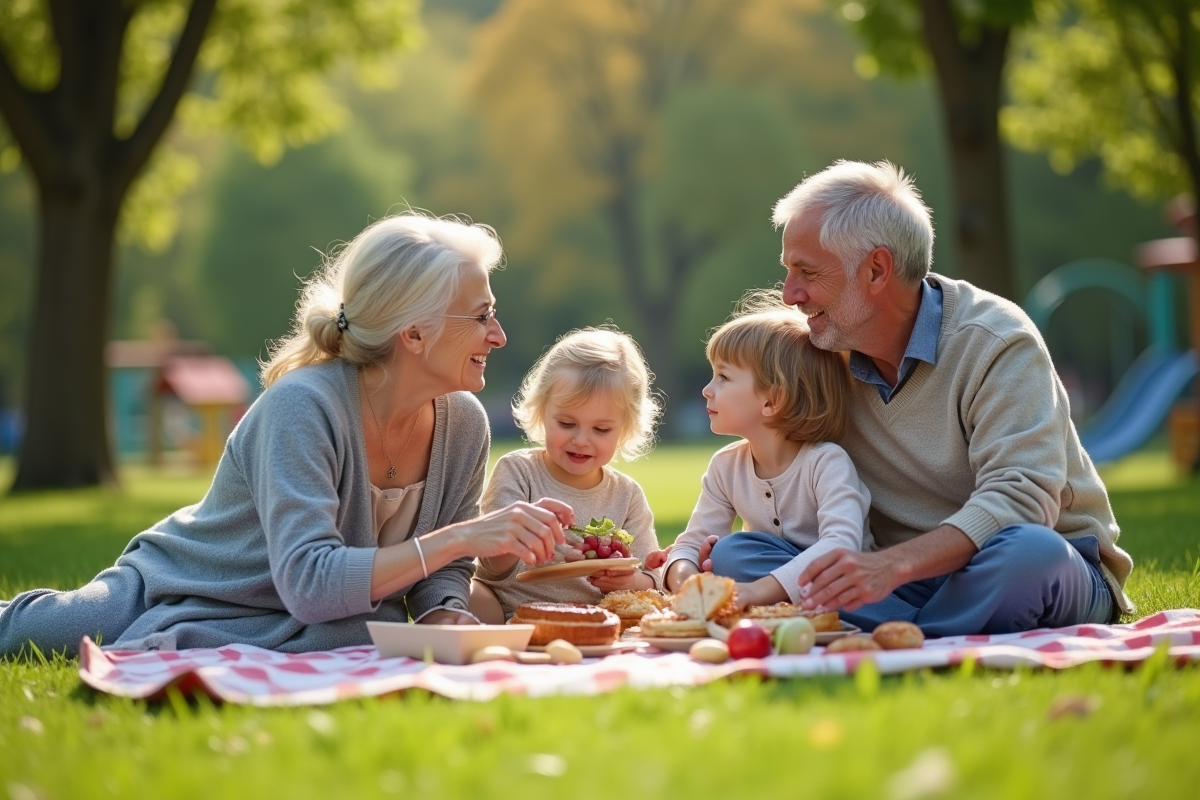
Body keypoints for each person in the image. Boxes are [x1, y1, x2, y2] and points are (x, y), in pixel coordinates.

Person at [0, 213, 570, 657]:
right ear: (414, 334)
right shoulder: (302, 407)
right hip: (184, 586)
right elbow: (312, 583)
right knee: (36, 632)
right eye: (480, 316)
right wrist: (464, 538)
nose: (498, 335)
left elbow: (440, 574)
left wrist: (447, 611)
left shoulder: (464, 422)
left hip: (321, 619)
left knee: (364, 633)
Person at [705, 159, 1134, 636]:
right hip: (899, 583)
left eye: (807, 272)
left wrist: (892, 566)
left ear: (876, 269)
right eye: (789, 272)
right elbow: (786, 456)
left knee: (1030, 554)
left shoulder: (995, 342)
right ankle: (929, 632)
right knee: (738, 554)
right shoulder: (823, 354)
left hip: (1022, 566)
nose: (789, 294)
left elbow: (1021, 499)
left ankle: (897, 632)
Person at [659, 292, 872, 609]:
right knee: (726, 555)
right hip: (780, 593)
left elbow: (840, 545)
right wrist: (688, 581)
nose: (707, 389)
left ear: (772, 400)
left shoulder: (826, 462)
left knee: (731, 553)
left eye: (723, 377)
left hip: (843, 590)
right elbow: (692, 542)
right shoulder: (726, 466)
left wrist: (758, 592)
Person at [469, 327, 664, 623]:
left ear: (626, 428)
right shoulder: (518, 471)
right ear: (540, 412)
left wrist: (630, 581)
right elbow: (491, 565)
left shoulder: (627, 495)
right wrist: (522, 532)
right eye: (566, 423)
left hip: (596, 616)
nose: (582, 440)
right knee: (468, 594)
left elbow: (653, 577)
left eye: (601, 429)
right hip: (511, 610)